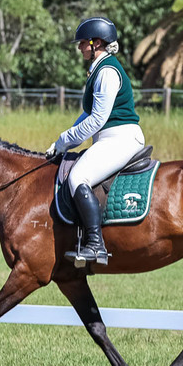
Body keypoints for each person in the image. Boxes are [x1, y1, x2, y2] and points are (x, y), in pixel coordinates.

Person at [45, 17, 145, 264]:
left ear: (96, 42)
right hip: (111, 137)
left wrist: (64, 140)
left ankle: (95, 245)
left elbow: (97, 120)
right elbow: (88, 115)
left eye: (82, 43)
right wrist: (63, 142)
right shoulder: (99, 68)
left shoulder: (108, 72)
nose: (80, 47)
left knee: (78, 178)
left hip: (120, 138)